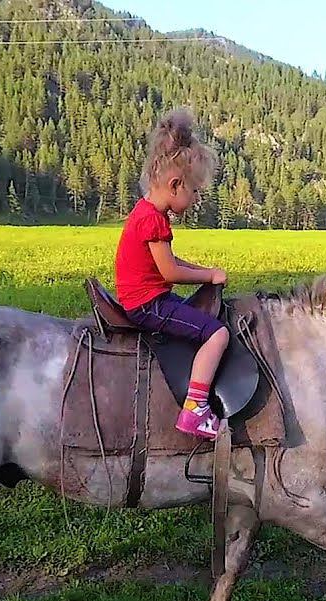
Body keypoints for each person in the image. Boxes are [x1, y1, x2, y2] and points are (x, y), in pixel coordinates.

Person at [114, 107, 228, 440]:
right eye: (193, 191)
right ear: (176, 185)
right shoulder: (154, 220)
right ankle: (195, 409)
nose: (194, 199)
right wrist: (207, 277)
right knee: (217, 333)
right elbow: (170, 270)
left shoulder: (147, 211)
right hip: (147, 304)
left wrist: (208, 271)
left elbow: (170, 262)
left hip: (148, 297)